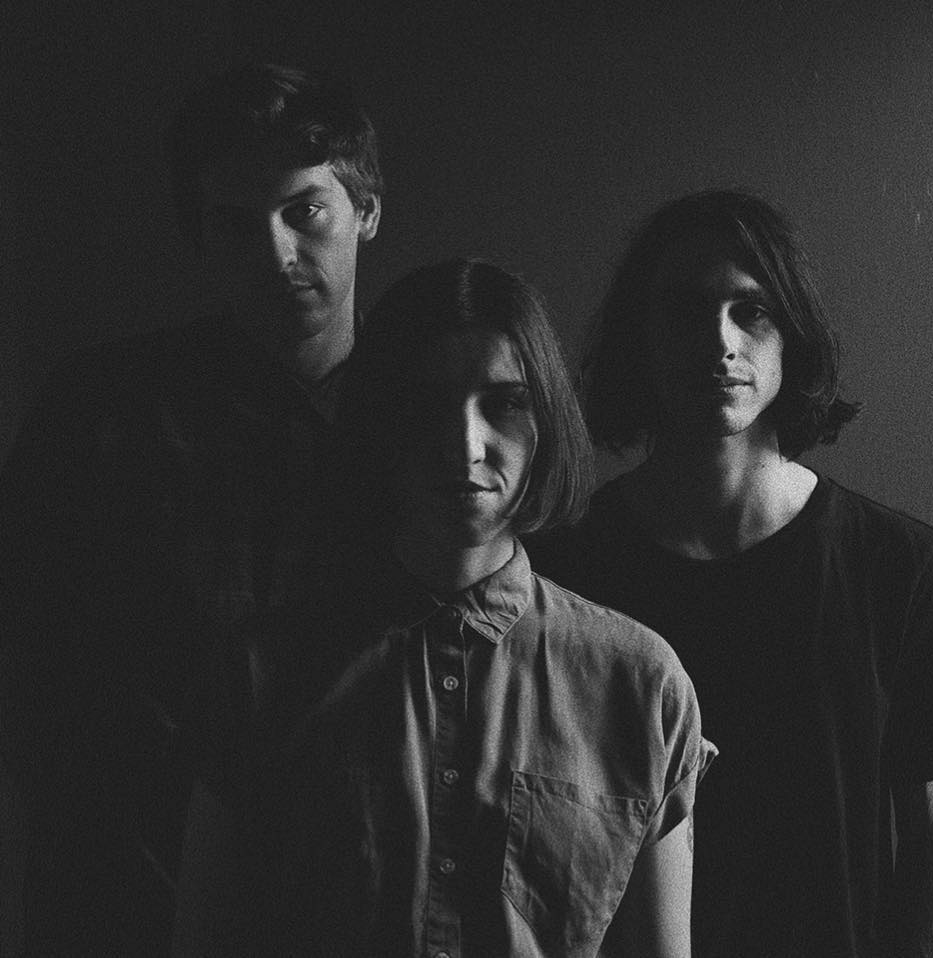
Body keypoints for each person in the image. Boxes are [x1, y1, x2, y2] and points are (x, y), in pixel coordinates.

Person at [173, 258, 716, 957]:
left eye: (505, 402)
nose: (465, 444)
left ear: (546, 420)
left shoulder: (639, 683)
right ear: (380, 423)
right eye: (425, 405)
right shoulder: (264, 672)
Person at [0, 61, 382, 954]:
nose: (276, 253)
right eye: (234, 223)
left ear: (365, 211)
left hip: (354, 896)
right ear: (198, 236)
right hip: (125, 893)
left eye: (305, 211)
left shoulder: (428, 423)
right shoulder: (103, 410)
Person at [528, 190, 933, 957]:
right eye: (685, 310)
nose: (718, 340)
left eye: (750, 310)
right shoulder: (565, 570)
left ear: (792, 333)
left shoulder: (895, 564)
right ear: (640, 340)